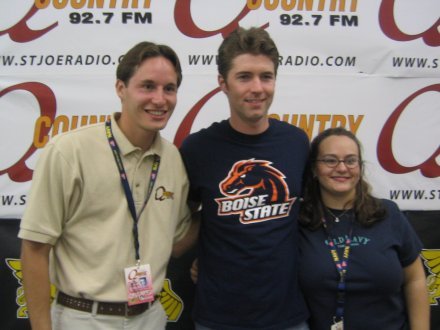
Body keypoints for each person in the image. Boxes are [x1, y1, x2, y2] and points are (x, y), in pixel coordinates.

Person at [19, 41, 198, 330]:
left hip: (150, 317)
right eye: (147, 86)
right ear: (120, 88)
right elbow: (35, 248)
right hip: (84, 318)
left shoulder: (173, 159)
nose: (160, 99)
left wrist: (220, 208)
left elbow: (177, 241)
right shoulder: (69, 151)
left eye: (169, 88)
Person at [180, 27, 310, 330]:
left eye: (266, 76)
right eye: (244, 77)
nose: (257, 87)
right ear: (222, 83)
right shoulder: (197, 148)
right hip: (218, 318)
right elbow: (177, 223)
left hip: (287, 317)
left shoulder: (296, 142)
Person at [298, 127, 430, 329]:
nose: (342, 168)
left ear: (359, 167)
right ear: (315, 169)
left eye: (351, 160)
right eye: (330, 160)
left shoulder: (388, 213)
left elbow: (415, 280)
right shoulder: (299, 221)